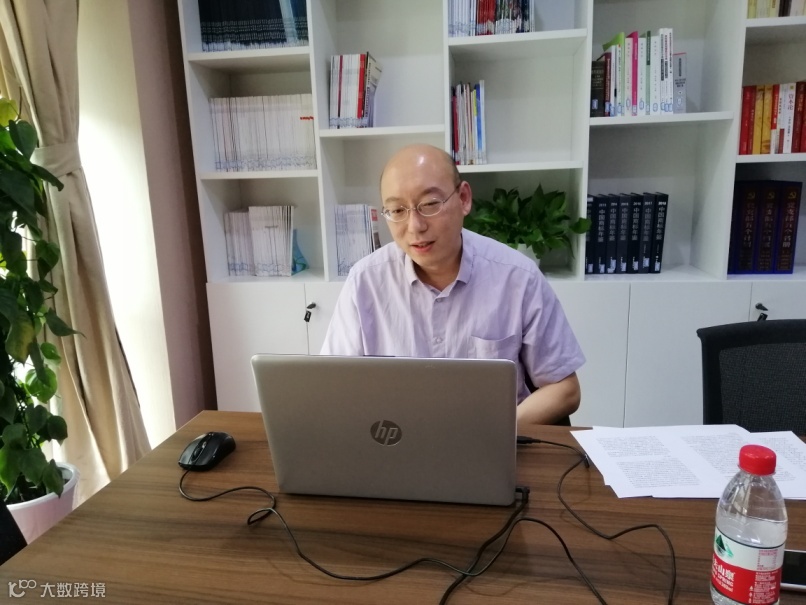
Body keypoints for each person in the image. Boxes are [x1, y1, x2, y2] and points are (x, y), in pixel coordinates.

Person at [321, 144, 585, 431]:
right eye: (397, 210)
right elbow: (333, 389)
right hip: (397, 442)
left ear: (463, 199)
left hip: (495, 442)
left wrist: (495, 431)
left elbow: (565, 390)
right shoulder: (364, 282)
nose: (415, 226)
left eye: (430, 204)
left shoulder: (518, 278)